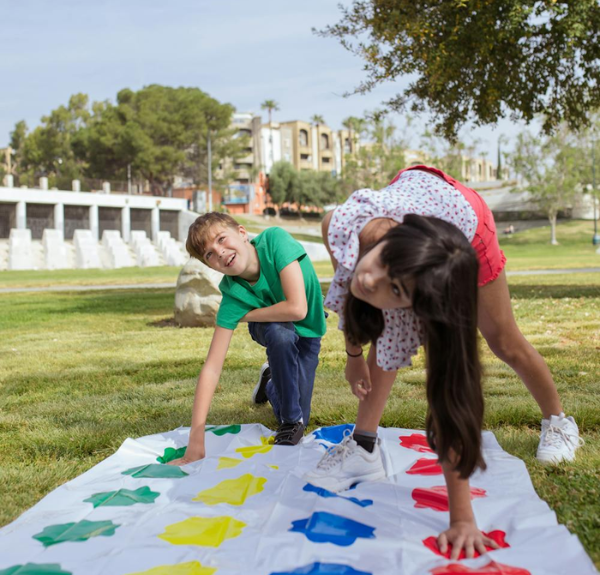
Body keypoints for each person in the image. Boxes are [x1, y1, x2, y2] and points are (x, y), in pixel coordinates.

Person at [305, 165, 582, 559]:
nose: (372, 279)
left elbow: (450, 398)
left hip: (468, 226)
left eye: (396, 288)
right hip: (422, 218)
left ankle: (559, 423)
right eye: (383, 263)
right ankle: (363, 447)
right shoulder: (351, 226)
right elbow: (355, 291)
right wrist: (353, 357)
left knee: (504, 340)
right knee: (384, 332)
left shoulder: (431, 299)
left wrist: (462, 518)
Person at [169, 212, 326, 464]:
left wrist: (247, 315)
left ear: (242, 233)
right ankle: (288, 415)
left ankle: (271, 382)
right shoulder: (232, 295)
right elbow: (212, 368)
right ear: (209, 265)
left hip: (308, 330)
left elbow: (298, 308)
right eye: (209, 254)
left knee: (300, 410)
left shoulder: (275, 241)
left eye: (221, 239)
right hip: (275, 332)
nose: (219, 252)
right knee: (293, 416)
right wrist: (195, 443)